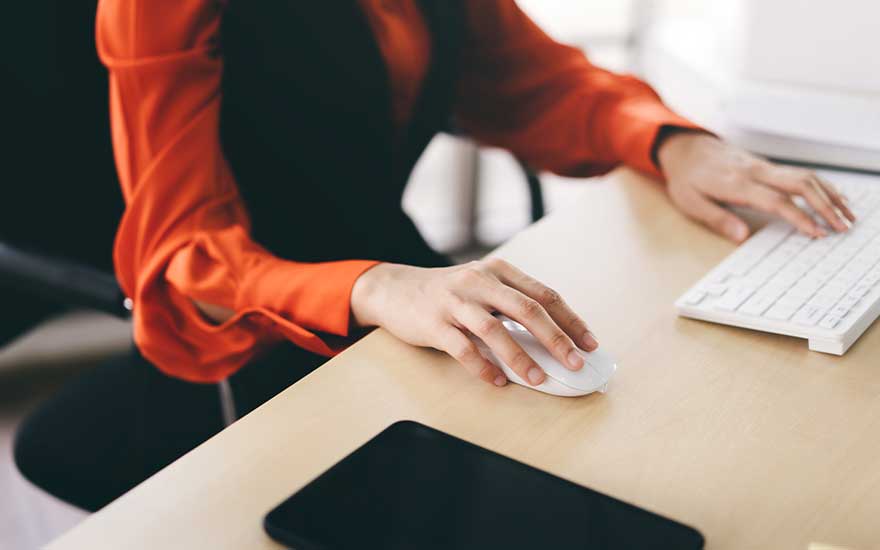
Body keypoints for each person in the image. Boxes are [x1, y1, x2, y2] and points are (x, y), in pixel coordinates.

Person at [14, 0, 855, 511]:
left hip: (410, 286)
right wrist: (372, 285)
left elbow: (532, 81)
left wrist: (671, 144)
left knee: (635, 446)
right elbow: (185, 255)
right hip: (265, 325)